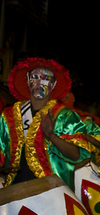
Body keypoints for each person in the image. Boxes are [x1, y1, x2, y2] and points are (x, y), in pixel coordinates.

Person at [0, 57, 90, 190]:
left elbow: (77, 155)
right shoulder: (7, 116)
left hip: (52, 192)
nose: (39, 82)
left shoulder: (66, 116)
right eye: (34, 77)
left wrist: (52, 136)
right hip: (14, 191)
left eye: (45, 78)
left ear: (53, 85)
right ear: (27, 81)